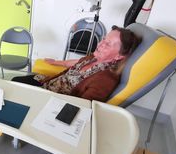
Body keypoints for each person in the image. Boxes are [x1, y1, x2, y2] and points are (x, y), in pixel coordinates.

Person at [12, 26, 141, 102]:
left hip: (52, 98)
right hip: (48, 83)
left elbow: (82, 106)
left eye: (108, 44)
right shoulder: (94, 58)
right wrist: (56, 62)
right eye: (103, 39)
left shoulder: (105, 79)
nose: (101, 44)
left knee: (15, 90)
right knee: (15, 81)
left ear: (119, 56)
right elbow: (74, 62)